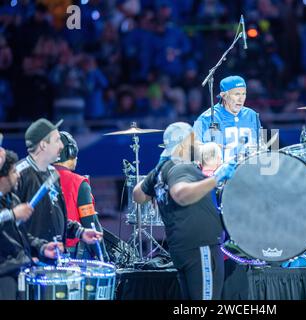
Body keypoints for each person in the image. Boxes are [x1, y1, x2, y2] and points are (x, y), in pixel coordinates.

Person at [133, 122, 237, 300]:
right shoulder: (181, 167)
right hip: (200, 249)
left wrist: (156, 172)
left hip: (182, 249)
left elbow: (138, 195)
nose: (199, 145)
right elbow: (180, 194)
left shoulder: (161, 169)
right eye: (195, 141)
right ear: (184, 144)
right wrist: (216, 178)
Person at [15, 118, 102, 262]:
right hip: (31, 263)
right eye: (57, 140)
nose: (61, 146)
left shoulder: (52, 174)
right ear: (43, 145)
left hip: (55, 259)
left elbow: (56, 217)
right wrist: (38, 248)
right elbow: (10, 226)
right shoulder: (19, 175)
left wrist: (80, 232)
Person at [0, 149, 64, 300]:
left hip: (20, 272)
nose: (18, 175)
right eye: (13, 171)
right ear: (2, 178)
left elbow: (22, 235)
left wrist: (42, 247)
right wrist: (13, 214)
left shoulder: (13, 200)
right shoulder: (13, 208)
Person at [53, 131, 109, 261]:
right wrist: (104, 256)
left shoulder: (40, 178)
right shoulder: (79, 183)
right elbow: (90, 222)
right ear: (70, 152)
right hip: (74, 254)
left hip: (47, 251)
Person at [193, 75, 261, 162]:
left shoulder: (252, 115)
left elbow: (260, 146)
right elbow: (195, 151)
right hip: (218, 174)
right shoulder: (206, 118)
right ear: (224, 96)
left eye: (243, 94)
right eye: (236, 94)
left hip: (247, 172)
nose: (241, 99)